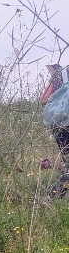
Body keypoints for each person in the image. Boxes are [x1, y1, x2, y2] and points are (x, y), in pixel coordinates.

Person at [42, 64, 69, 197]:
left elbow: (44, 100)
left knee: (68, 162)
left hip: (58, 124)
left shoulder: (60, 74)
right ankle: (53, 196)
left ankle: (53, 196)